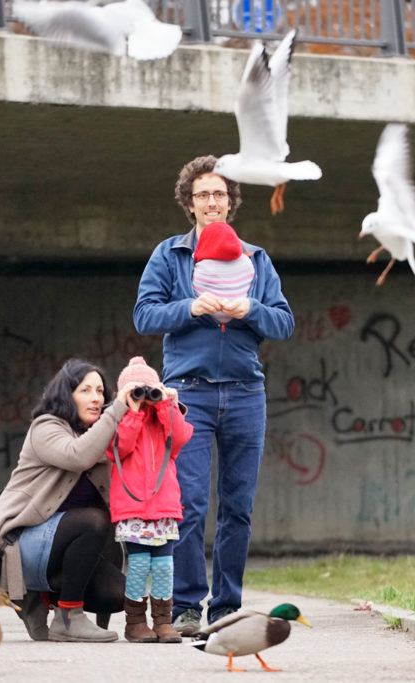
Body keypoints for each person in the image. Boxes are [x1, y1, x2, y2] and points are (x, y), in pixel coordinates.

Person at [132, 155, 295, 636]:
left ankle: (225, 607)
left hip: (247, 393)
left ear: (231, 202)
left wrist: (250, 309)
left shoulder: (256, 259)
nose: (211, 202)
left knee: (238, 507)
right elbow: (144, 316)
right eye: (202, 194)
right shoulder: (170, 256)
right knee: (189, 504)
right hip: (188, 395)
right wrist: (188, 306)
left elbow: (283, 322)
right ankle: (185, 605)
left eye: (219, 194)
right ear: (189, 203)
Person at [0, 358, 134, 643]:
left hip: (62, 546)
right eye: (85, 390)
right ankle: (67, 616)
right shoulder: (45, 427)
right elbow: (78, 455)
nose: (96, 398)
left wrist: (155, 413)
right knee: (91, 519)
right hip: (21, 542)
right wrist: (115, 413)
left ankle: (44, 596)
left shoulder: (98, 436)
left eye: (101, 391)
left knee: (118, 596)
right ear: (67, 395)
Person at [107, 356, 193, 643]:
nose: (144, 397)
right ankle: (135, 623)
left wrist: (166, 404)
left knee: (164, 566)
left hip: (163, 507)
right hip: (133, 509)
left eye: (149, 390)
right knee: (140, 565)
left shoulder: (164, 418)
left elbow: (181, 437)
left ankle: (163, 621)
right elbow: (119, 448)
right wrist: (132, 412)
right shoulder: (118, 419)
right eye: (137, 391)